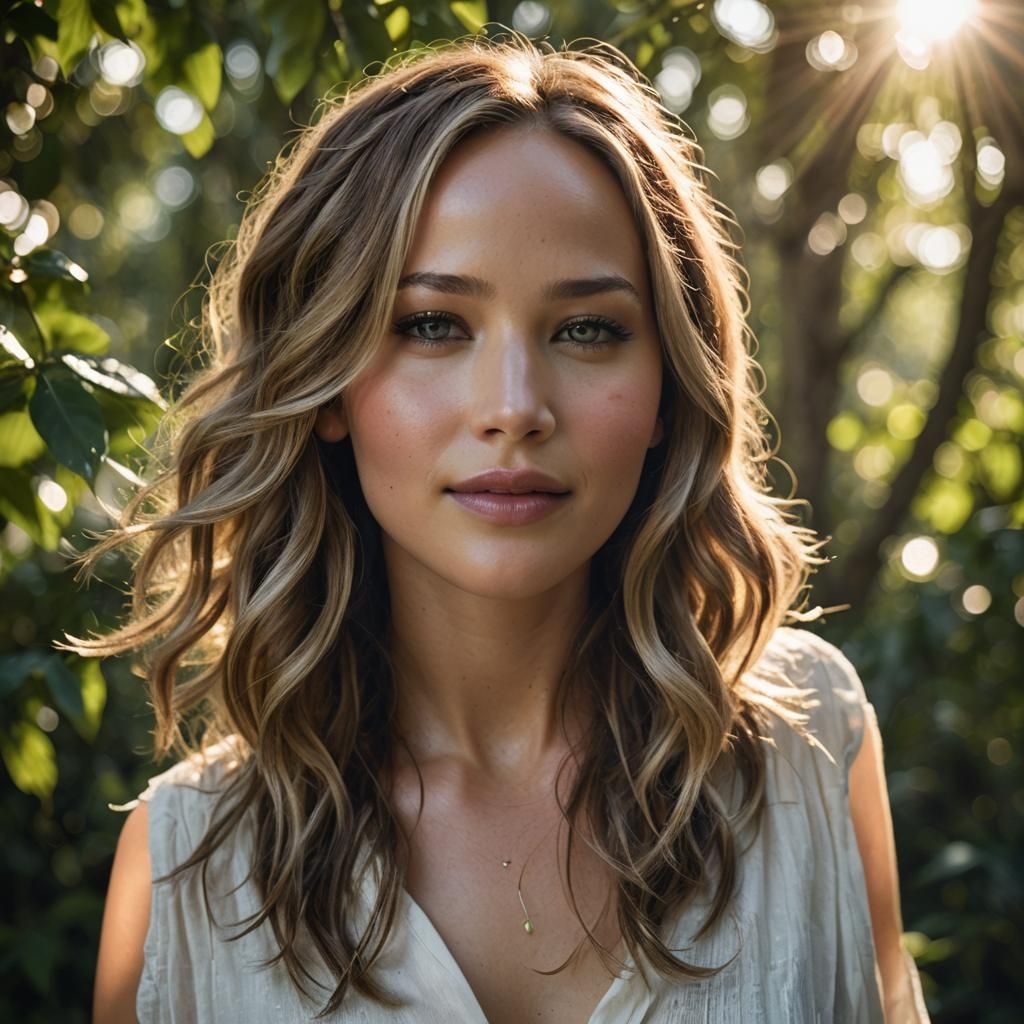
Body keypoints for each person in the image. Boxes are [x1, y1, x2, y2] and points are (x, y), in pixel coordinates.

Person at [83, 30, 930, 1024]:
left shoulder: (812, 746)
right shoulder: (186, 868)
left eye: (587, 329)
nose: (515, 406)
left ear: (666, 386)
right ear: (324, 384)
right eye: (433, 325)